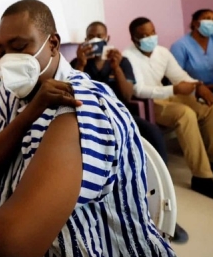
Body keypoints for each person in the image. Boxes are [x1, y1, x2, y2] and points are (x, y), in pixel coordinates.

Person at [0, 0, 180, 257]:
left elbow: (12, 246)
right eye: (1, 52)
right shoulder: (10, 95)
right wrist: (27, 116)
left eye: (20, 46)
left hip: (92, 252)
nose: (8, 60)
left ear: (53, 43)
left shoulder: (79, 103)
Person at [71, 21, 188, 243]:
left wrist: (116, 68)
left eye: (100, 36)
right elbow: (73, 92)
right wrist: (81, 65)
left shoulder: (121, 60)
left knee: (152, 134)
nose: (96, 39)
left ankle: (157, 198)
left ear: (107, 38)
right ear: (85, 41)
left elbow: (126, 96)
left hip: (118, 113)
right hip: (89, 117)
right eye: (91, 36)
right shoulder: (76, 63)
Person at [123, 17, 213, 203]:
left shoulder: (162, 52)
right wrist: (174, 89)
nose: (150, 37)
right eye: (144, 35)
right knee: (185, 114)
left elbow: (179, 76)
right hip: (151, 102)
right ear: (134, 38)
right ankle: (202, 177)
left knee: (208, 104)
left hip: (167, 94)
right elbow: (138, 90)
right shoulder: (128, 56)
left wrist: (198, 85)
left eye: (152, 32)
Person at [171, 9, 213, 156]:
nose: (211, 23)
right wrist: (201, 86)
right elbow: (176, 76)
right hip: (195, 89)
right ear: (195, 23)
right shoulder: (181, 46)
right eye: (207, 19)